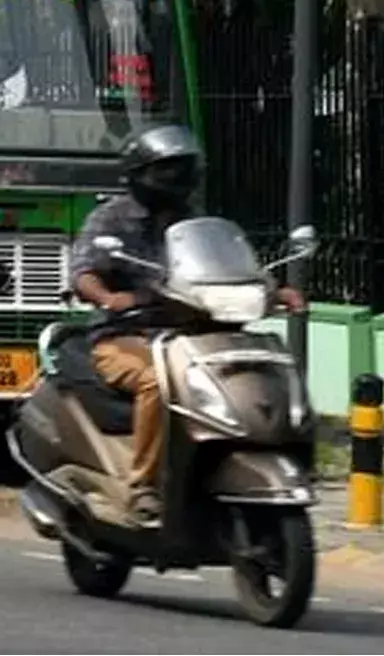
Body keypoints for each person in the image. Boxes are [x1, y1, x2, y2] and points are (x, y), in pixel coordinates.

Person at [70, 123, 301, 524]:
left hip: (193, 335)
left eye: (184, 169)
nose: (177, 179)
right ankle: (142, 487)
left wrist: (273, 291)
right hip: (126, 335)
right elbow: (84, 271)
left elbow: (231, 268)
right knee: (155, 384)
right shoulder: (110, 219)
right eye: (167, 170)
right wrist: (109, 297)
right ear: (139, 173)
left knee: (255, 372)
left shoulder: (197, 224)